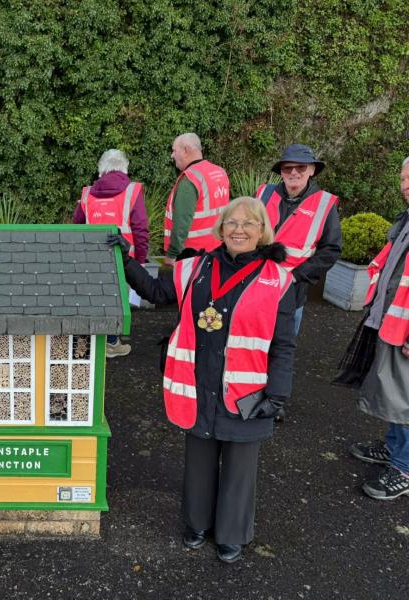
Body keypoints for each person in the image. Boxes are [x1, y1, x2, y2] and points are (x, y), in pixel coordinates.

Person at [109, 196, 296, 563]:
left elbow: (284, 345)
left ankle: (230, 535)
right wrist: (127, 259)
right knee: (199, 460)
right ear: (221, 228)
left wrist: (278, 395)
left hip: (247, 391)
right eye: (232, 222)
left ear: (262, 231)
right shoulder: (195, 267)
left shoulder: (280, 281)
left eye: (248, 224)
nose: (239, 229)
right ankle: (195, 524)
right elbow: (156, 293)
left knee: (240, 468)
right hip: (197, 383)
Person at [334, 157, 409, 501]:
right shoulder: (405, 219)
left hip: (404, 329)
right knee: (394, 395)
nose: (405, 185)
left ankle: (404, 467)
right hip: (392, 321)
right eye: (403, 178)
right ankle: (395, 449)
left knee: (406, 399)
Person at [256, 144, 342, 336]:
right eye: (287, 168)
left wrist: (297, 276)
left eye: (300, 167)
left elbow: (331, 250)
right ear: (281, 171)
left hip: (291, 292)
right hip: (254, 287)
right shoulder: (263, 194)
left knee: (281, 349)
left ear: (311, 170)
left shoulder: (324, 204)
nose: (293, 172)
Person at [74, 149, 149, 358]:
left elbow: (77, 224)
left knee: (93, 300)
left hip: (91, 258)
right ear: (124, 169)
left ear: (101, 170)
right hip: (122, 258)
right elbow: (140, 229)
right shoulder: (132, 192)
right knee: (116, 300)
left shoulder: (87, 194)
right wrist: (140, 260)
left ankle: (90, 344)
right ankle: (111, 343)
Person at [163, 133, 230, 266]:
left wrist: (171, 255)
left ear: (185, 150)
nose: (172, 155)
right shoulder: (220, 172)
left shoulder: (190, 179)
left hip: (190, 255)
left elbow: (182, 222)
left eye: (174, 150)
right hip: (217, 249)